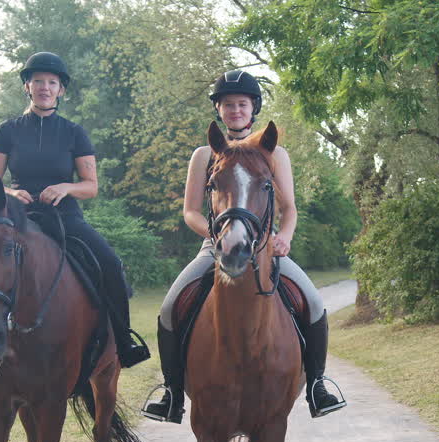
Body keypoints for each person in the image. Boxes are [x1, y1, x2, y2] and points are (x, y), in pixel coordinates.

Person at [141, 69, 346, 423]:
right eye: (228, 104)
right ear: (218, 110)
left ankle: (317, 385)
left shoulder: (274, 153)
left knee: (312, 300)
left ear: (253, 108)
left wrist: (285, 236)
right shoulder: (204, 154)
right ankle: (173, 392)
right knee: (170, 305)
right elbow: (190, 211)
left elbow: (289, 208)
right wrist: (217, 237)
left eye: (242, 104)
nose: (235, 110)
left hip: (267, 248)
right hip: (215, 246)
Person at [0, 51, 149, 380]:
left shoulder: (74, 133)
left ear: (61, 90)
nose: (44, 87)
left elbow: (91, 186)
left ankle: (123, 342)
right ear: (27, 86)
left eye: (51, 82)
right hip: (17, 218)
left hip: (64, 217)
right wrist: (10, 193)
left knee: (110, 264)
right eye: (38, 81)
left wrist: (67, 187)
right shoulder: (6, 130)